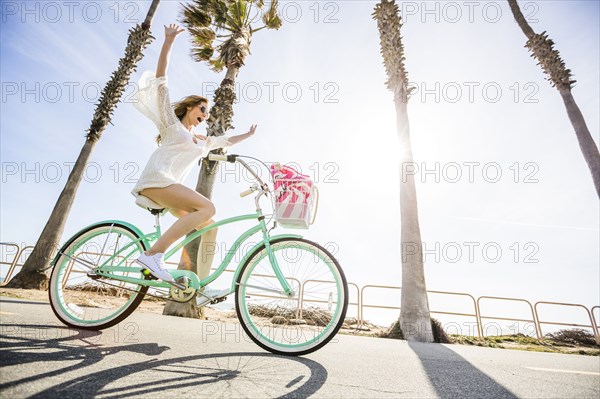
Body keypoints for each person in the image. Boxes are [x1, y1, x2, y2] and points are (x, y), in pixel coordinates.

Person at [131, 24, 256, 299]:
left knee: (209, 224)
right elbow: (162, 79)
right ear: (190, 107)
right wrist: (167, 41)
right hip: (156, 181)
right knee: (208, 206)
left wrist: (246, 135)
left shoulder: (199, 141)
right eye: (202, 109)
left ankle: (198, 285)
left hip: (170, 187)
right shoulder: (171, 125)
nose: (205, 114)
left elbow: (222, 141)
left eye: (207, 112)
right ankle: (153, 256)